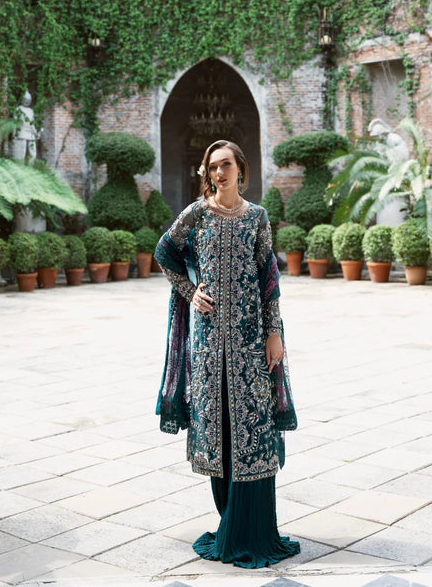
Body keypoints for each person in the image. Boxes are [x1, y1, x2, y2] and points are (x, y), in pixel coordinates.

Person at [155, 139, 300, 568]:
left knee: (253, 431)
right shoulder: (196, 215)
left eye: (225, 166)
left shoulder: (257, 218)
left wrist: (274, 333)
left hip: (252, 343)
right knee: (218, 430)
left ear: (241, 170)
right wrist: (190, 289)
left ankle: (253, 528)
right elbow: (165, 253)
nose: (218, 173)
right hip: (207, 345)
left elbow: (269, 279)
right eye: (212, 167)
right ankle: (229, 520)